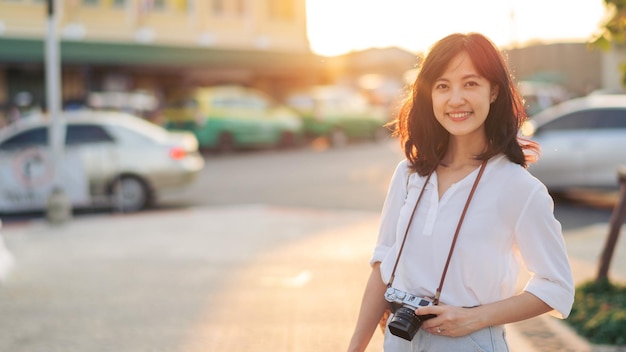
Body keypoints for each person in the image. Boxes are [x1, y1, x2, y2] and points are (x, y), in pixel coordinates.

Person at [347, 32, 574, 352]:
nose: (455, 99)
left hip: (469, 343)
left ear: (493, 91)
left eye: (470, 83)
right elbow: (382, 265)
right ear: (429, 95)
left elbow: (557, 288)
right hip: (400, 340)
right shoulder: (409, 175)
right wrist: (355, 347)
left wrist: (476, 319)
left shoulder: (519, 188)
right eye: (443, 86)